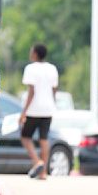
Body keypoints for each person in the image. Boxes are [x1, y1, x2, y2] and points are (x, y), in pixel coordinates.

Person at [20, 43, 58, 180]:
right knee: (44, 139)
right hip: (48, 109)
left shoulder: (30, 68)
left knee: (25, 137)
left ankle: (37, 162)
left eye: (31, 51)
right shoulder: (52, 68)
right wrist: (52, 103)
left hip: (34, 110)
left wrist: (24, 112)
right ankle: (43, 173)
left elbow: (31, 92)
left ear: (35, 54)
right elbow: (54, 89)